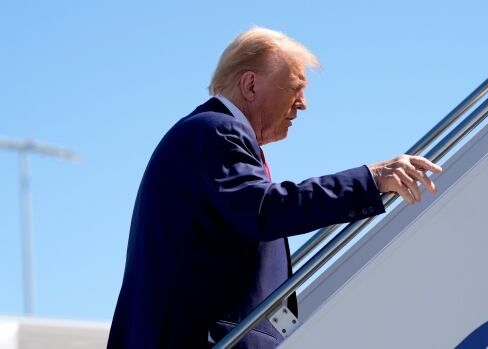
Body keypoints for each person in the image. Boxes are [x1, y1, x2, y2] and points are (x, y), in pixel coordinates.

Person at [107, 27, 442, 349]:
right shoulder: (215, 131)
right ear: (250, 85)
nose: (303, 103)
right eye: (296, 87)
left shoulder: (206, 134)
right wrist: (369, 179)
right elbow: (266, 210)